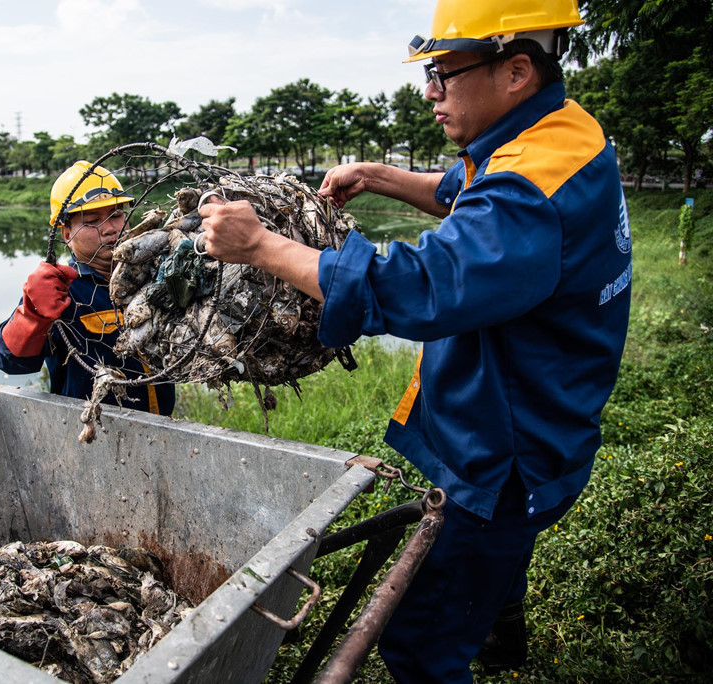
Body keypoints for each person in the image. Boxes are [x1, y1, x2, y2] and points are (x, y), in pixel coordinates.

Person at [198, 0, 631, 680]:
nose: (430, 91)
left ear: (516, 69)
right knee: (489, 570)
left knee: (419, 646)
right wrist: (377, 175)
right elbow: (467, 189)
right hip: (550, 419)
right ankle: (496, 633)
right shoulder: (561, 134)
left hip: (505, 455)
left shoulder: (527, 195)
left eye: (445, 72)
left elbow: (420, 287)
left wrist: (260, 245)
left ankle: (463, 639)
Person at [0, 161, 175, 416]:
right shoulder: (62, 290)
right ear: (66, 233)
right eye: (92, 220)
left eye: (116, 215)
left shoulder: (151, 275)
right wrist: (33, 313)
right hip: (91, 432)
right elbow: (10, 361)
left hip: (162, 424)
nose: (110, 228)